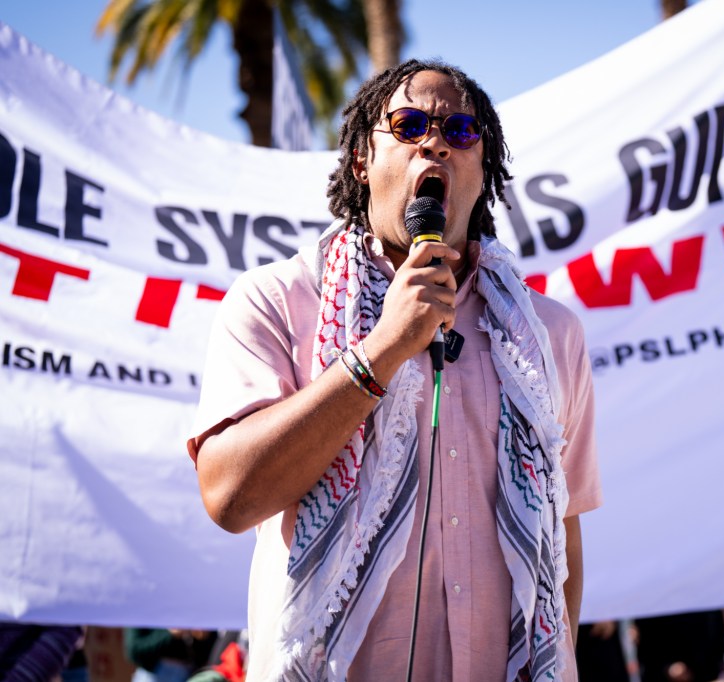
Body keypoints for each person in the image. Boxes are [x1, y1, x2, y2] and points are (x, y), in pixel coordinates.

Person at [187, 59, 602, 681]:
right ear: (361, 159)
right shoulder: (276, 300)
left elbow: (561, 539)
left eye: (461, 131)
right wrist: (381, 349)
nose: (435, 141)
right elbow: (229, 496)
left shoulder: (548, 336)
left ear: (481, 169)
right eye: (408, 125)